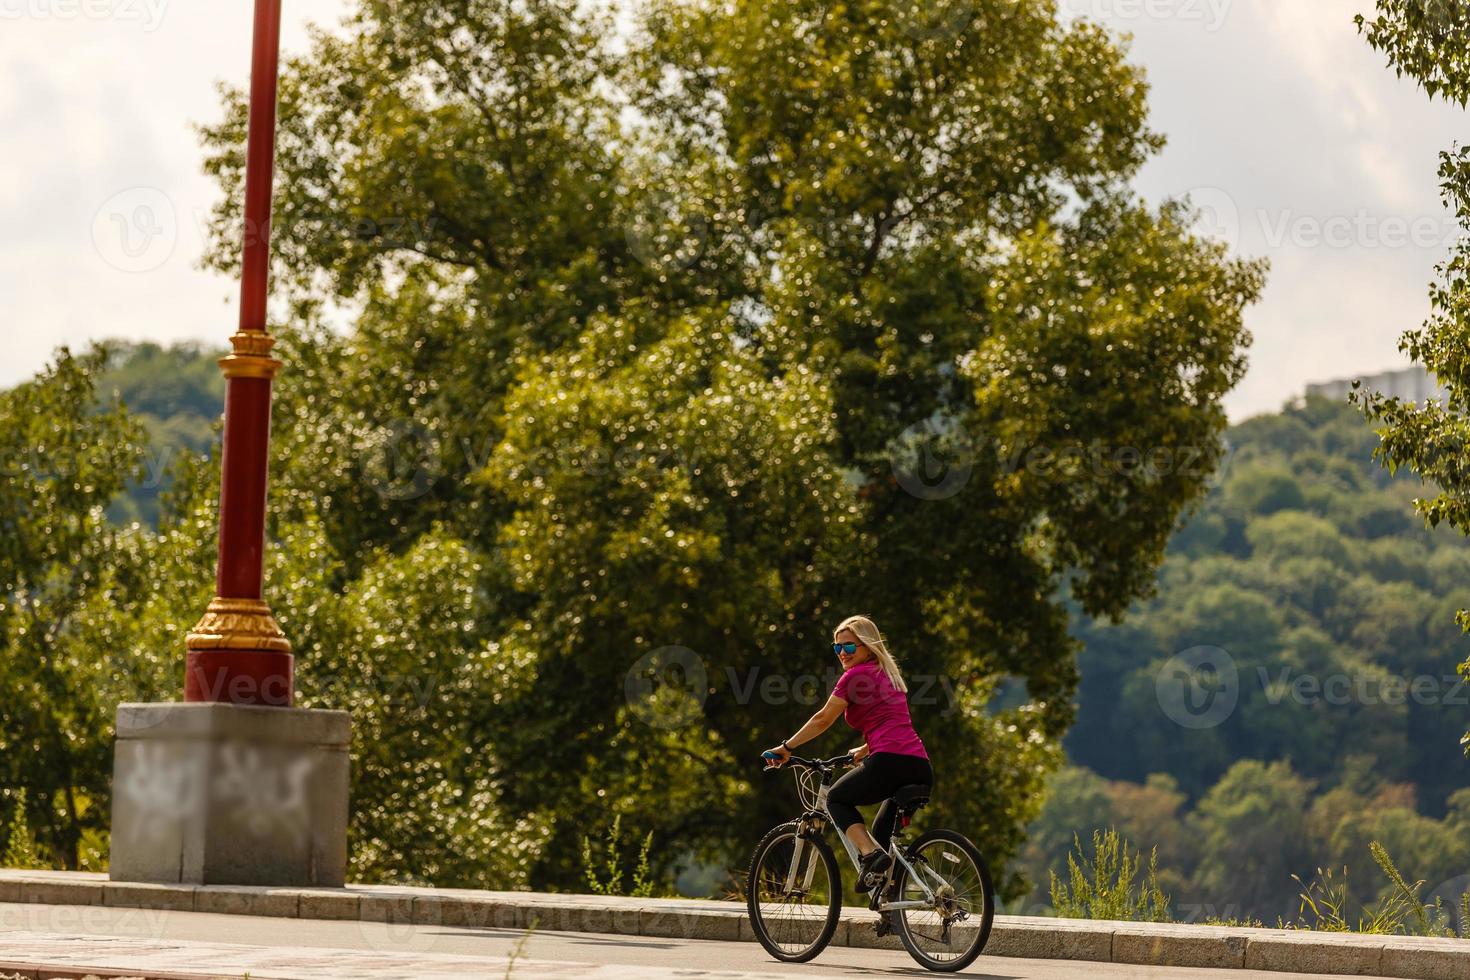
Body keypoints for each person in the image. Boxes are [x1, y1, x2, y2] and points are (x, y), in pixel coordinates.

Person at [764, 614, 933, 909]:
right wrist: (867, 749)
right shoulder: (889, 674)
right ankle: (890, 905)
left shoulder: (854, 677)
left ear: (867, 647)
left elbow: (822, 719)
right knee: (881, 835)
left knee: (838, 800)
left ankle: (870, 855)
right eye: (837, 648)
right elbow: (895, 724)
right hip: (918, 764)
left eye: (850, 647)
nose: (842, 653)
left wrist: (785, 747)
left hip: (889, 763)